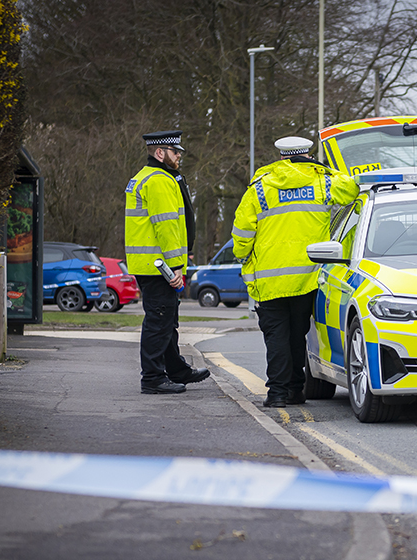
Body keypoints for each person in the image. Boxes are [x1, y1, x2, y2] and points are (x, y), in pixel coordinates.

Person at [233, 136, 359, 407]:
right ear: (309, 156)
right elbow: (351, 188)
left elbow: (242, 233)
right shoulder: (324, 182)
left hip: (268, 280)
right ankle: (295, 389)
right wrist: (326, 169)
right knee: (297, 334)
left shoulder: (260, 187)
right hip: (307, 278)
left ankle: (277, 393)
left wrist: (243, 256)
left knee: (276, 336)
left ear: (281, 157)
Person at [125, 130, 210, 394]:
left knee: (166, 321)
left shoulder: (145, 177)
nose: (179, 157)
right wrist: (176, 267)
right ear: (160, 153)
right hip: (160, 266)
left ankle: (176, 370)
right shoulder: (160, 180)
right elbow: (167, 227)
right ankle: (152, 378)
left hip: (150, 264)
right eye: (175, 152)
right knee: (159, 322)